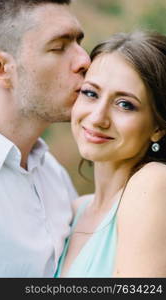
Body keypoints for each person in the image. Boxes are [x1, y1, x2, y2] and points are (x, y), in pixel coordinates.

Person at [0, 0, 90, 277]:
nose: (84, 61)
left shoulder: (53, 174)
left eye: (78, 42)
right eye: (59, 47)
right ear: (0, 69)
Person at [55, 30, 166, 278]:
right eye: (90, 93)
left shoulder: (155, 183)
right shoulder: (74, 211)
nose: (97, 118)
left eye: (125, 104)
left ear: (158, 128)